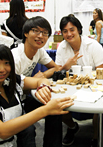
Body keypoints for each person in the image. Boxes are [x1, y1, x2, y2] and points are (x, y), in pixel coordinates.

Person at [0, 34, 74, 147]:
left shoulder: (10, 81)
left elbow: (41, 81)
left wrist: (43, 87)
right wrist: (46, 110)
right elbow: (2, 131)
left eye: (7, 63)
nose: (2, 69)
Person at [56, 14, 103, 146]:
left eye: (72, 29)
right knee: (57, 104)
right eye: (65, 31)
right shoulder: (62, 47)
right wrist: (66, 66)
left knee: (101, 106)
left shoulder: (93, 45)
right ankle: (72, 127)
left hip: (92, 85)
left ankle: (97, 137)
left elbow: (102, 72)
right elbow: (58, 72)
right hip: (70, 86)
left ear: (79, 30)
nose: (69, 34)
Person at [11, 16, 63, 147]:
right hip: (10, 103)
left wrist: (42, 75)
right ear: (26, 33)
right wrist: (34, 81)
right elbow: (9, 88)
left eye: (45, 33)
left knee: (54, 109)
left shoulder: (39, 51)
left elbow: (55, 68)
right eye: (36, 31)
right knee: (28, 129)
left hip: (22, 98)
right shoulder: (15, 57)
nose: (41, 36)